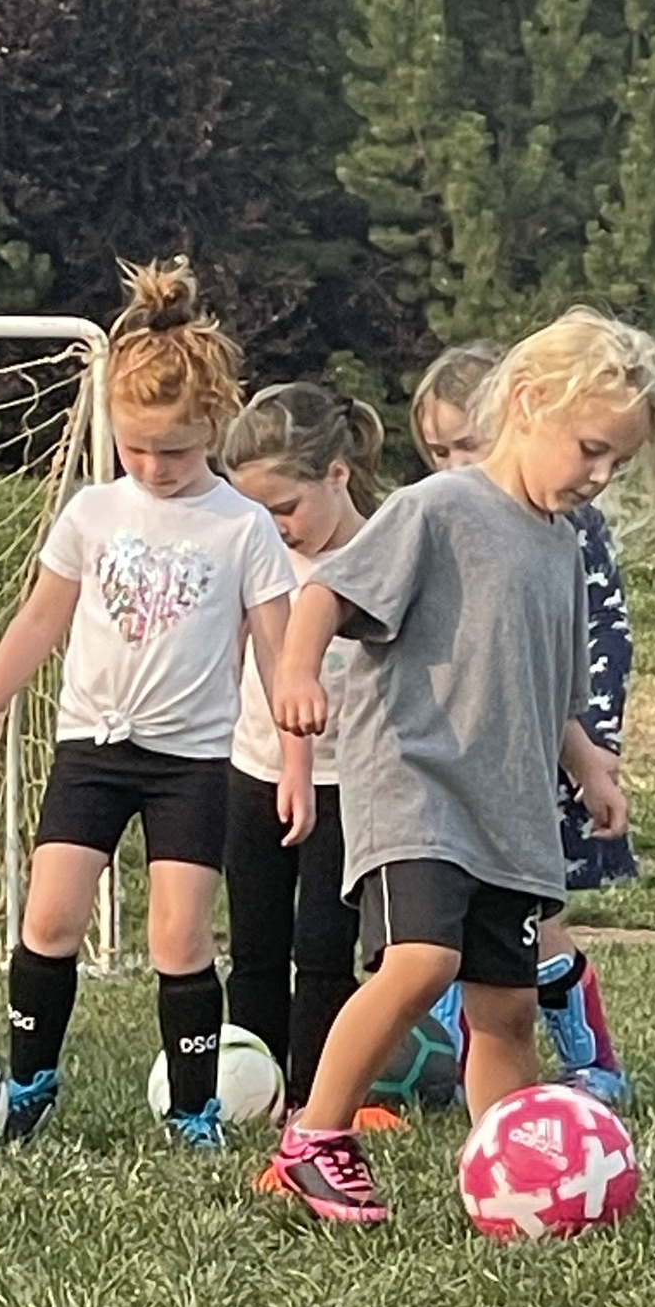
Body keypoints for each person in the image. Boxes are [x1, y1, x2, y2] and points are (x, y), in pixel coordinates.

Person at [265, 307, 655, 1224]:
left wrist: (591, 768)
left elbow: (559, 691)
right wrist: (298, 674)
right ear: (530, 402)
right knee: (421, 959)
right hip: (417, 789)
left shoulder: (562, 546)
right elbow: (325, 595)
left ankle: (512, 1178)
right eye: (589, 449)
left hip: (511, 813)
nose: (599, 475)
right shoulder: (440, 508)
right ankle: (314, 1136)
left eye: (616, 462)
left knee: (504, 1010)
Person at [0, 257, 303, 1147]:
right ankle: (31, 1080)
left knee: (180, 937)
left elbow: (280, 656)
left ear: (215, 427)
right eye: (137, 446)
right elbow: (42, 618)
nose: (154, 465)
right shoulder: (92, 513)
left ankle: (194, 1111)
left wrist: (296, 765)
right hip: (91, 750)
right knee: (50, 917)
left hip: (189, 764)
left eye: (176, 450)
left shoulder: (243, 527)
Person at [409, 341, 637, 1104]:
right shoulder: (447, 516)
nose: (450, 463)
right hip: (463, 757)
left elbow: (594, 641)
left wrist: (586, 751)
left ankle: (591, 1058)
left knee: (527, 916)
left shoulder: (563, 527)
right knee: (456, 922)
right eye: (435, 449)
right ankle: (452, 1058)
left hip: (542, 751)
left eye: (463, 445)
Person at [220, 383, 384, 1109]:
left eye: (285, 508)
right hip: (251, 771)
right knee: (255, 949)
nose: (275, 527)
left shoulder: (386, 554)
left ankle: (317, 1095)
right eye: (258, 513)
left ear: (338, 474)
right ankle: (251, 1086)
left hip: (351, 784)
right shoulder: (256, 558)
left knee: (323, 950)